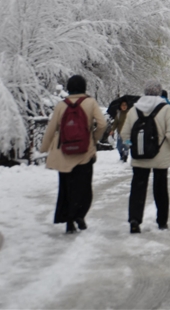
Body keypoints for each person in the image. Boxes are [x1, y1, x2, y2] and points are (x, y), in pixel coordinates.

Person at [39, 75, 107, 234]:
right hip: (85, 153)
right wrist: (93, 139)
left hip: (64, 153)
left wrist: (44, 148)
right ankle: (80, 215)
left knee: (66, 188)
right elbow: (102, 124)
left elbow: (51, 129)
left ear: (68, 88)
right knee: (84, 188)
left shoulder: (61, 106)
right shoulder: (90, 103)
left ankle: (69, 221)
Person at [121, 81, 170, 233]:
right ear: (160, 92)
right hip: (161, 156)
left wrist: (132, 145)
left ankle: (134, 219)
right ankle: (162, 221)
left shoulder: (134, 109)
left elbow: (125, 133)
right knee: (160, 189)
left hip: (140, 156)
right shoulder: (166, 109)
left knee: (138, 189)